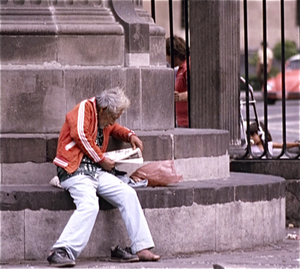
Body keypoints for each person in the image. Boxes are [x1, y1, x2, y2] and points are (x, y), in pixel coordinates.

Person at [47, 87, 160, 267]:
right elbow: (80, 135)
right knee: (90, 205)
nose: (113, 122)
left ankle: (141, 247)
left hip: (96, 172)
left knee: (128, 194)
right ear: (103, 110)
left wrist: (130, 135)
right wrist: (101, 158)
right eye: (113, 117)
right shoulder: (84, 108)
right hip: (74, 170)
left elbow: (115, 128)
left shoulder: (104, 118)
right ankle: (62, 250)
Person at [166, 35, 189, 128]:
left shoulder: (187, 68)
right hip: (181, 122)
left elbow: (197, 92)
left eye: (166, 55)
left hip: (187, 122)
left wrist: (180, 96)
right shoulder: (180, 69)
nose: (166, 59)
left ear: (173, 54)